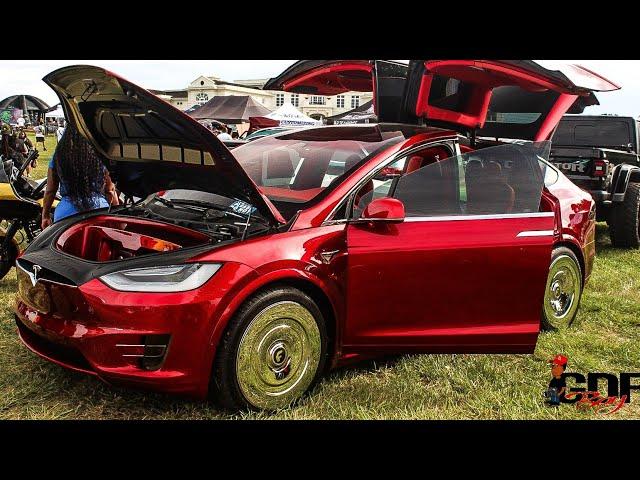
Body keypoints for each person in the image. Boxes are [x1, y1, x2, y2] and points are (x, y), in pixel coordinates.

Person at [41, 124, 119, 228]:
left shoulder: (58, 156)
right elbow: (110, 190)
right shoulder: (100, 156)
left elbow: (50, 190)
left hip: (65, 214)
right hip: (99, 211)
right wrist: (116, 214)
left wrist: (45, 216)